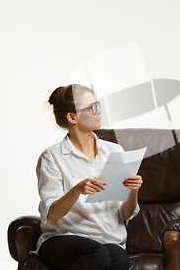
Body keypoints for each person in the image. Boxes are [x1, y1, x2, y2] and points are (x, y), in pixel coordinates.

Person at [35, 84, 143, 270]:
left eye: (98, 105)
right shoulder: (52, 157)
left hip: (107, 239)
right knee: (96, 254)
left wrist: (133, 191)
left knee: (119, 259)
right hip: (63, 239)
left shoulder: (114, 151)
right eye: (91, 107)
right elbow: (51, 215)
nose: (98, 111)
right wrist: (77, 190)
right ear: (72, 117)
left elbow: (126, 214)